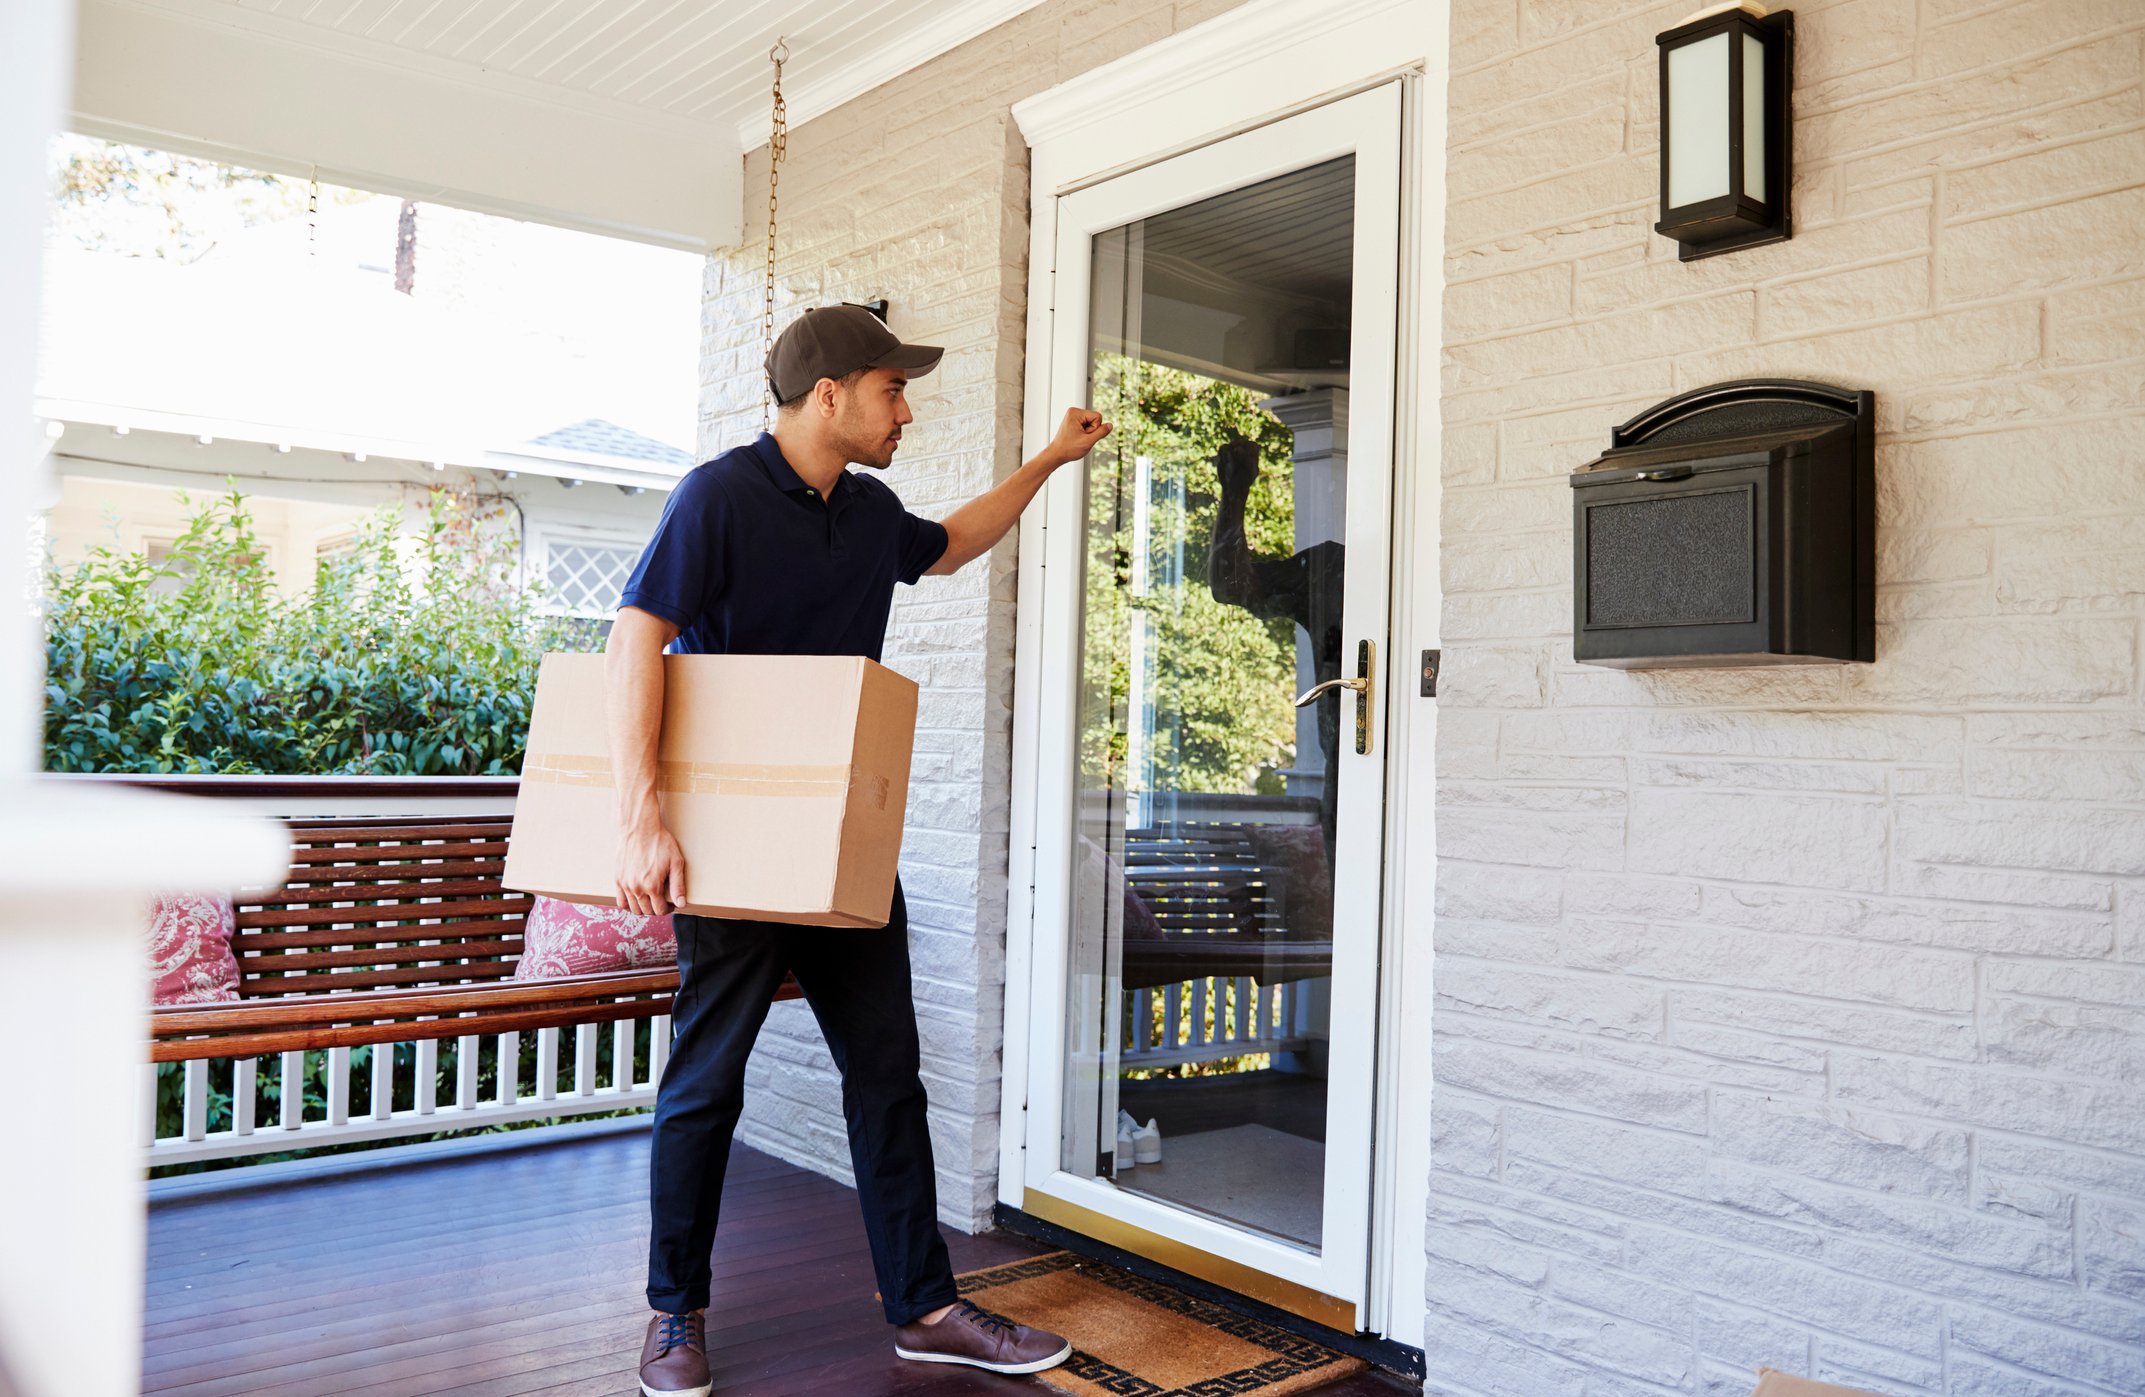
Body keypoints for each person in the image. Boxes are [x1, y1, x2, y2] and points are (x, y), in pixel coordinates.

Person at [606, 303, 1111, 1397]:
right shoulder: (719, 495)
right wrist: (641, 811)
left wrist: (1051, 459)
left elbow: (956, 542)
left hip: (842, 842)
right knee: (707, 1079)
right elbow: (636, 632)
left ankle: (926, 1307)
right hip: (731, 845)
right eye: (892, 387)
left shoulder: (872, 509)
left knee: (886, 1074)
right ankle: (673, 1311)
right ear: (828, 393)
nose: (906, 408)